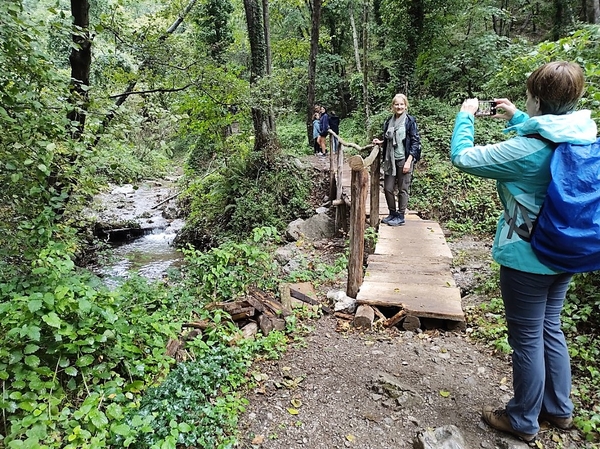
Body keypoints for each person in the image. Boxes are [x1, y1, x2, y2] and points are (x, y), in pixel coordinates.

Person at [450, 61, 598, 444]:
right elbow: (546, 138)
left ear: (535, 99)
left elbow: (464, 157)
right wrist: (519, 117)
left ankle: (522, 419)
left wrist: (465, 117)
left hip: (528, 257)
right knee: (550, 327)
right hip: (567, 250)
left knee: (527, 338)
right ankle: (559, 410)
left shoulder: (525, 150)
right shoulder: (582, 136)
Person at [372, 93, 421, 226]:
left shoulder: (409, 121)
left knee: (402, 188)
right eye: (396, 104)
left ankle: (400, 215)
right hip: (390, 160)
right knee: (388, 188)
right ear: (393, 106)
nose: (399, 107)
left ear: (405, 106)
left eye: (401, 104)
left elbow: (415, 142)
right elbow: (390, 139)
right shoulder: (389, 121)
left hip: (404, 159)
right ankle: (392, 213)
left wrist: (409, 161)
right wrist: (381, 142)